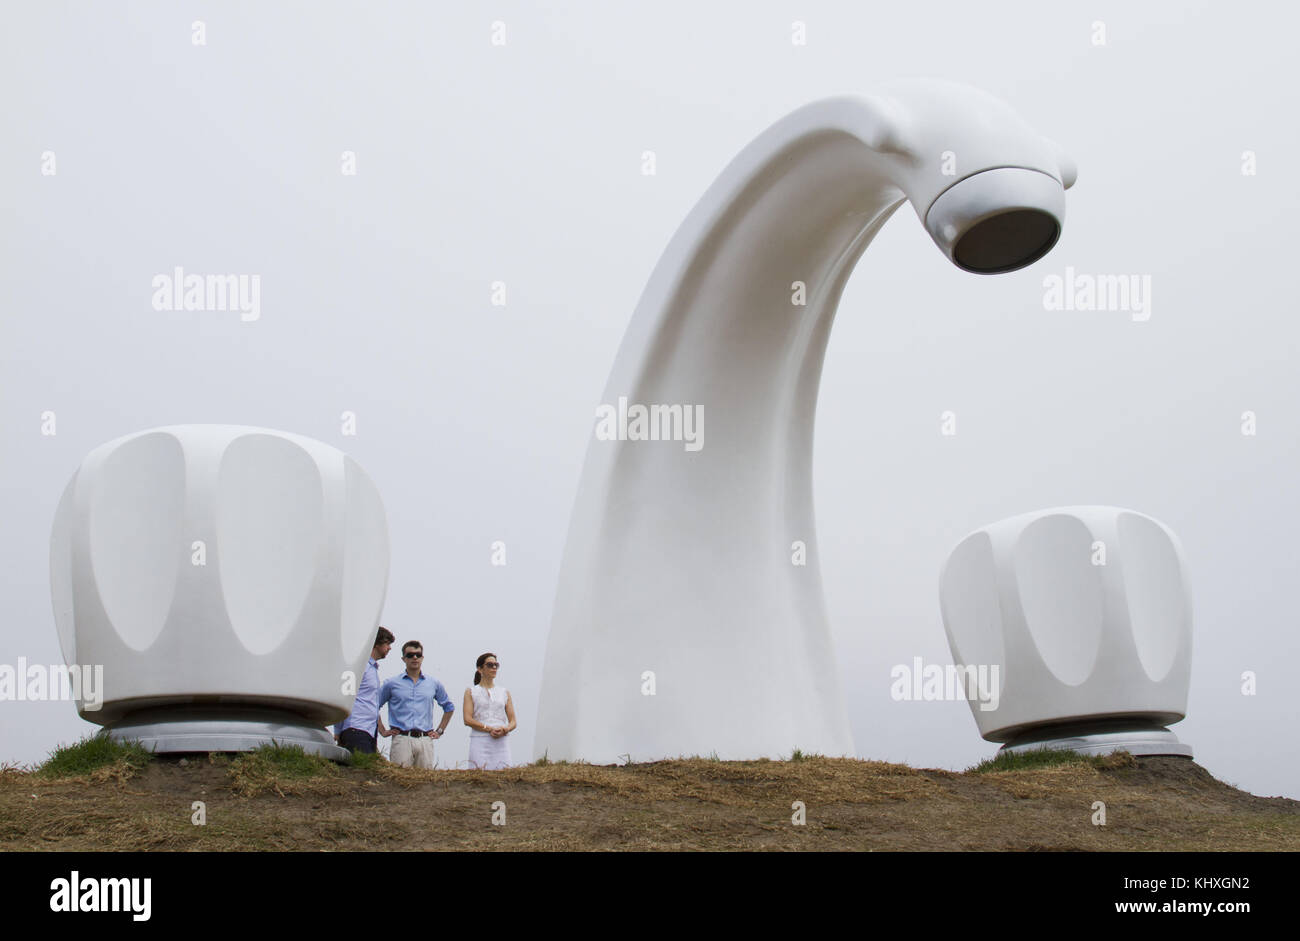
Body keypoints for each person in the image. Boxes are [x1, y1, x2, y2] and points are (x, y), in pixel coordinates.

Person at [377, 641, 455, 769]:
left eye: (418, 655)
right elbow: (374, 706)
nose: (414, 658)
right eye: (410, 655)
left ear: (422, 658)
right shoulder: (391, 683)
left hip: (425, 739)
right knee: (399, 780)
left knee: (425, 783)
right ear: (403, 658)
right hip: (402, 739)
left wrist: (439, 731)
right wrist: (382, 730)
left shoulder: (433, 683)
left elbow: (449, 707)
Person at [333, 626, 395, 753]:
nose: (389, 648)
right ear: (377, 643)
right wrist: (338, 731)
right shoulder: (359, 666)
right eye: (387, 643)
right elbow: (343, 696)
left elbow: (371, 703)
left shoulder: (372, 669)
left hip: (369, 731)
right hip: (356, 729)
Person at [463, 652, 515, 770]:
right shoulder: (471, 691)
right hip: (479, 740)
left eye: (496, 665)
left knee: (504, 774)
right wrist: (489, 728)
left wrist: (505, 729)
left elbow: (513, 721)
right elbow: (467, 719)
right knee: (479, 775)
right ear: (480, 669)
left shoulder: (504, 692)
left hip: (501, 741)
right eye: (490, 665)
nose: (494, 668)